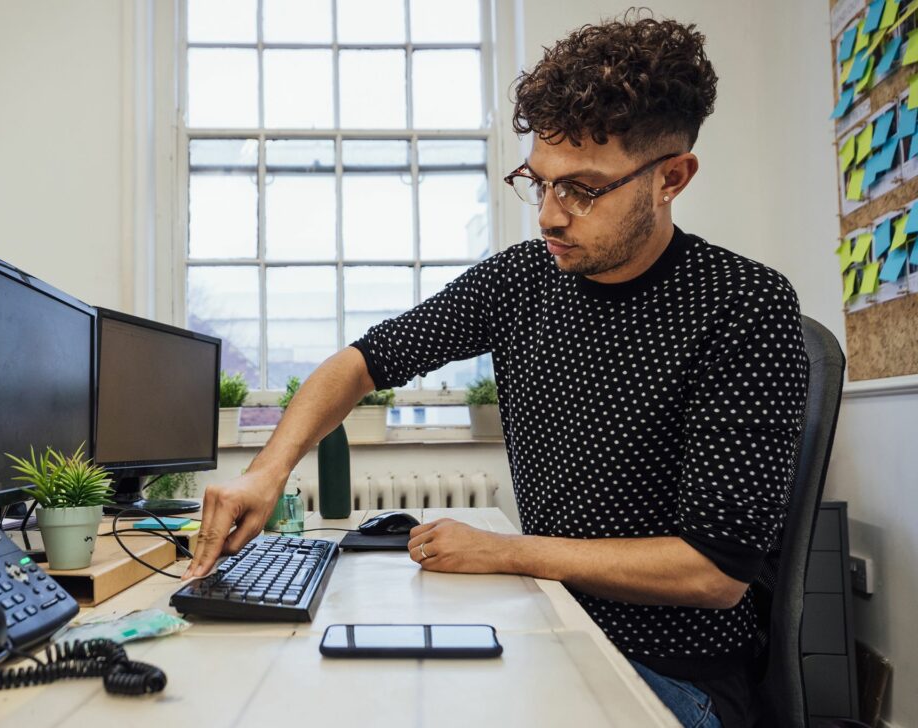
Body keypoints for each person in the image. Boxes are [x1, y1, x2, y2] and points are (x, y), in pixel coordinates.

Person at [184, 11, 808, 728]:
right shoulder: (521, 281)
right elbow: (360, 364)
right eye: (537, 182)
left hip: (671, 676)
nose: (548, 216)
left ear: (672, 177)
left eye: (582, 189)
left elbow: (715, 573)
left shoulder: (742, 304)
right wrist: (267, 471)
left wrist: (510, 552)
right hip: (542, 625)